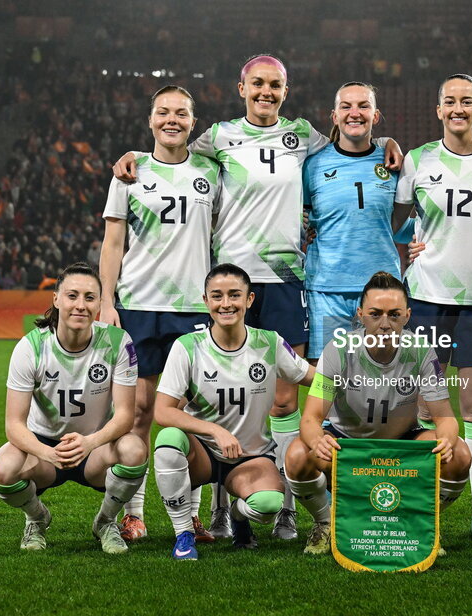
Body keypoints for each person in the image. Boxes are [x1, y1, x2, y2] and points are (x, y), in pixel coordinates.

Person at [113, 56, 402, 540]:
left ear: (285, 91)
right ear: (242, 88)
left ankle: (286, 507)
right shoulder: (218, 136)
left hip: (286, 280)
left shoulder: (303, 135)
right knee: (215, 401)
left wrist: (388, 141)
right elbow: (171, 151)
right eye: (258, 84)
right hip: (232, 282)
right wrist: (135, 157)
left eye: (275, 85)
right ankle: (220, 508)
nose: (266, 92)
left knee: (284, 400)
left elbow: (352, 142)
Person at [99, 85, 222, 543]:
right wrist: (107, 301)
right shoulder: (130, 172)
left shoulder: (212, 170)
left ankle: (191, 515)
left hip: (193, 307)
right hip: (138, 305)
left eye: (182, 113)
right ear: (150, 119)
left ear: (193, 122)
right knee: (139, 412)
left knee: (190, 414)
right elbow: (113, 242)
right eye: (164, 112)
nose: (172, 119)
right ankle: (132, 513)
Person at [396, 73, 472, 539]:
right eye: (450, 101)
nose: (458, 108)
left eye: (467, 101)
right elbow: (396, 218)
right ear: (439, 109)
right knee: (425, 411)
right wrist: (412, 243)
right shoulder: (419, 158)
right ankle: (421, 508)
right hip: (426, 297)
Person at [284, 272, 470, 555]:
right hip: (347, 447)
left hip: (401, 445)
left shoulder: (421, 350)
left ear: (407, 316)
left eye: (394, 315)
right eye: (375, 314)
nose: (385, 324)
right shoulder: (338, 350)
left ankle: (418, 523)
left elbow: (445, 418)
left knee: (459, 454)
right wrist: (317, 440)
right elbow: (310, 418)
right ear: (361, 314)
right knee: (298, 455)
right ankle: (325, 521)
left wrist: (446, 440)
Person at [151, 263, 316, 559]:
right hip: (203, 453)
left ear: (249, 299)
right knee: (168, 441)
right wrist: (214, 430)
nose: (226, 303)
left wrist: (354, 381)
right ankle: (184, 534)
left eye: (234, 295)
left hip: (249, 455)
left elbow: (311, 377)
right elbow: (162, 412)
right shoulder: (187, 346)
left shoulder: (269, 342)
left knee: (268, 505)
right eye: (217, 296)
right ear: (205, 301)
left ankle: (238, 517)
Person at [0, 263, 148, 554]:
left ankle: (106, 522)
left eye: (90, 297)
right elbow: (14, 425)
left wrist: (89, 443)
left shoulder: (118, 342)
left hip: (95, 448)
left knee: (135, 450)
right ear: (56, 299)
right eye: (72, 296)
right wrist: (48, 453)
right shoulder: (30, 347)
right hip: (45, 450)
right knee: (3, 469)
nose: (80, 305)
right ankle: (37, 518)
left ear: (99, 303)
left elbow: (126, 415)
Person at [302, 81, 412, 361]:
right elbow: (299, 217)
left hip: (382, 291)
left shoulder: (395, 164)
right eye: (346, 106)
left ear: (376, 116)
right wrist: (304, 230)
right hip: (326, 290)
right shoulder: (312, 165)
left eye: (364, 106)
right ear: (334, 116)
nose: (355, 113)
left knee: (382, 376)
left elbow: (399, 225)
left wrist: (425, 240)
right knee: (327, 378)